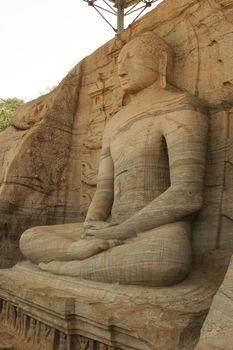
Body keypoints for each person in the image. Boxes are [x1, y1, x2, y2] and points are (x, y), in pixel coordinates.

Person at [20, 32, 208, 286]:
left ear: (161, 60)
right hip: (109, 227)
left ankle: (70, 269)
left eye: (131, 57)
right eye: (119, 60)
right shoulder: (114, 122)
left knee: (165, 261)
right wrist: (91, 226)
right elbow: (104, 189)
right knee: (30, 238)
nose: (121, 68)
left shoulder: (182, 107)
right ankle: (77, 255)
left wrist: (122, 230)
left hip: (156, 230)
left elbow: (187, 193)